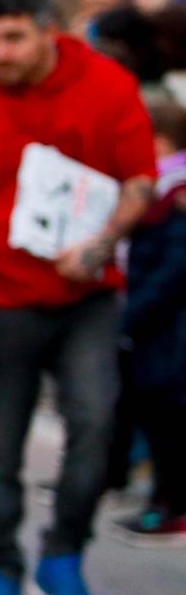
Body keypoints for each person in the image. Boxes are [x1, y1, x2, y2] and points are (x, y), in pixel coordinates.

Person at [0, 0, 156, 595]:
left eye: (13, 37)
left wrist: (101, 243)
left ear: (47, 31)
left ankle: (63, 555)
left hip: (85, 294)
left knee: (95, 420)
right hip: (0, 295)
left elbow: (140, 179)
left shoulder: (106, 86)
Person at [114, 98, 186, 544]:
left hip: (169, 328)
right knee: (157, 416)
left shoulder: (174, 194)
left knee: (169, 419)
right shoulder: (160, 189)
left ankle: (172, 505)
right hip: (155, 326)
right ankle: (164, 499)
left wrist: (132, 312)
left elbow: (175, 268)